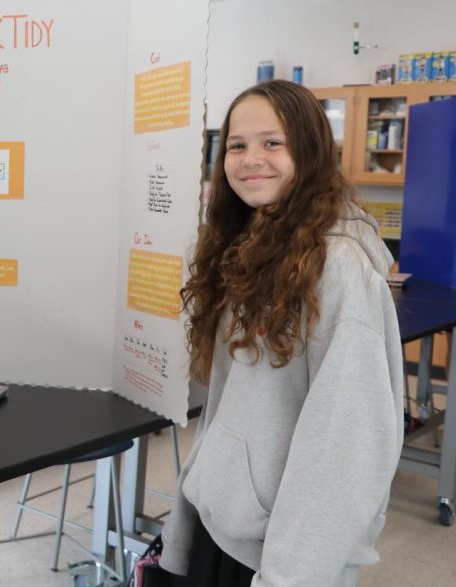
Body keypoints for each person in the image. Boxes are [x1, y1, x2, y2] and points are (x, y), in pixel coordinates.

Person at [159, 80, 403, 586]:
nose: (251, 159)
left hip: (279, 554)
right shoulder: (247, 247)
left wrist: (287, 577)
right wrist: (183, 529)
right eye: (237, 145)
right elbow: (226, 410)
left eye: (273, 143)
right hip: (221, 524)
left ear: (309, 150)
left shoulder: (339, 270)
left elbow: (345, 455)